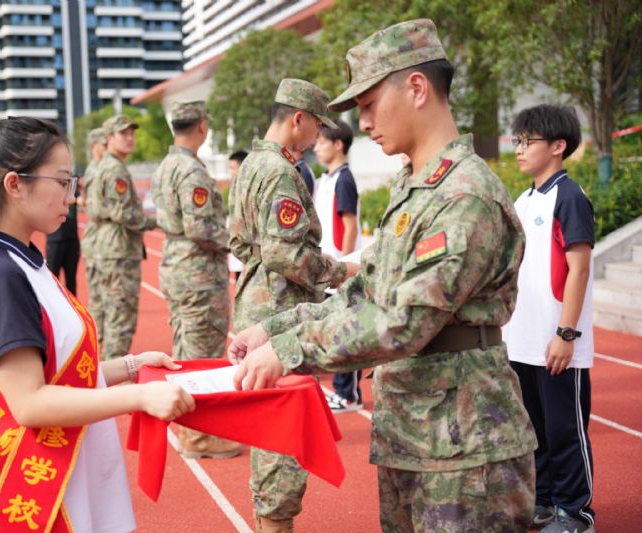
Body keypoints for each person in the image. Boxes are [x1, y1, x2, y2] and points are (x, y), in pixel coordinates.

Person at [229, 20, 538, 532]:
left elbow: (403, 320)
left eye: (370, 104)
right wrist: (273, 328)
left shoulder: (463, 195)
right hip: (416, 431)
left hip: (465, 446)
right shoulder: (414, 186)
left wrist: (288, 350)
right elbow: (365, 289)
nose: (364, 121)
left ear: (416, 88)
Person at [0, 117, 195, 532]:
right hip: (28, 487)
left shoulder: (23, 260)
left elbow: (60, 372)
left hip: (58, 471)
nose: (72, 196)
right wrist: (139, 397)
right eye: (62, 182)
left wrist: (133, 366)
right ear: (14, 185)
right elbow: (30, 402)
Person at [228, 78, 358, 533]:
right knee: (282, 436)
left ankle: (269, 517)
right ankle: (274, 522)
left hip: (257, 300)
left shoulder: (252, 164)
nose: (318, 135)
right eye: (317, 125)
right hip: (280, 312)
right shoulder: (282, 173)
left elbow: (239, 241)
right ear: (298, 119)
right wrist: (341, 271)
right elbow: (286, 254)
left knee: (268, 428)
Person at [503, 105, 595, 533]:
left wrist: (566, 333)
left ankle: (576, 512)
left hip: (557, 338)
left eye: (528, 141)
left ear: (558, 146)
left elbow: (579, 268)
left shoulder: (570, 197)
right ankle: (544, 502)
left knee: (564, 430)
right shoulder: (523, 200)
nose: (519, 149)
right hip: (521, 338)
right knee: (534, 429)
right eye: (518, 141)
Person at [151, 101, 241, 459]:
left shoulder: (166, 165)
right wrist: (238, 242)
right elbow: (200, 228)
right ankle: (198, 436)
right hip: (197, 272)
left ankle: (192, 430)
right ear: (202, 126)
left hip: (178, 266)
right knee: (202, 353)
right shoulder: (191, 171)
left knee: (187, 349)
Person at [81, 115, 157, 360]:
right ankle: (112, 372)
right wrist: (155, 221)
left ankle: (98, 366)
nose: (130, 138)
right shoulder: (115, 169)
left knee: (101, 309)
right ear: (109, 138)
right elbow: (123, 213)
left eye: (131, 133)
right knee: (120, 315)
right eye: (123, 134)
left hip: (100, 244)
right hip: (117, 248)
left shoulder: (99, 166)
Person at [312, 118, 364, 413]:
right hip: (328, 270)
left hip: (341, 271)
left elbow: (350, 225)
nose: (316, 147)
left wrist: (343, 267)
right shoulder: (327, 179)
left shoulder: (344, 179)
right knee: (333, 331)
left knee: (346, 332)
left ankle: (349, 394)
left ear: (338, 145)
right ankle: (341, 390)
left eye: (322, 142)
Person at [45, 129, 104, 295]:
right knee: (52, 281)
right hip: (55, 240)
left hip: (72, 239)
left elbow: (81, 201)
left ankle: (72, 308)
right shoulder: (49, 183)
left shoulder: (72, 184)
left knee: (71, 281)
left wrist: (83, 188)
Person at [227, 150, 248, 281]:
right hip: (237, 250)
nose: (230, 172)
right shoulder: (235, 188)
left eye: (232, 168)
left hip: (247, 253)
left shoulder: (246, 189)